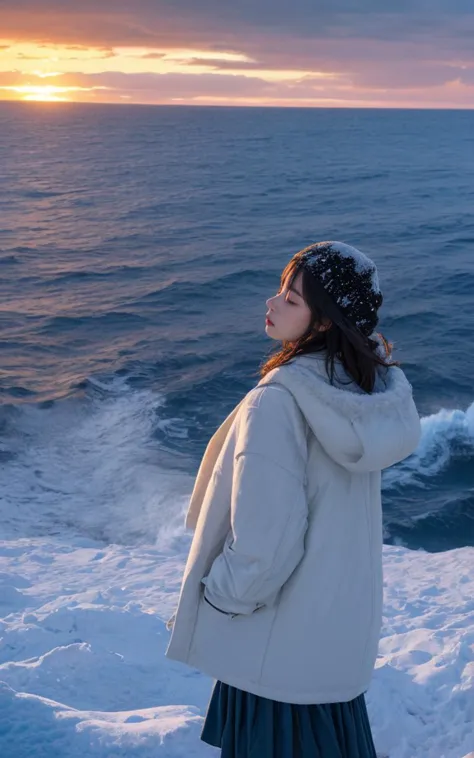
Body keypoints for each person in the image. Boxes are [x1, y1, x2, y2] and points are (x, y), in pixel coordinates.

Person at [165, 240, 421, 758]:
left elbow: (267, 543)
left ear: (324, 322)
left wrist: (220, 596)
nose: (272, 303)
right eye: (281, 291)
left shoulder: (278, 402)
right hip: (333, 645)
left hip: (275, 653)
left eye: (292, 299)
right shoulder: (360, 392)